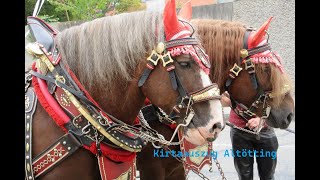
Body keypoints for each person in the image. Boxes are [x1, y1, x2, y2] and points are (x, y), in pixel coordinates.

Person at [221, 92, 279, 180]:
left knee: (268, 176)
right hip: (239, 130)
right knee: (244, 176)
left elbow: (280, 100)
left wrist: (262, 119)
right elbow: (225, 100)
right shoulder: (232, 77)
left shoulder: (273, 78)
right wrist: (224, 99)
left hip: (265, 130)